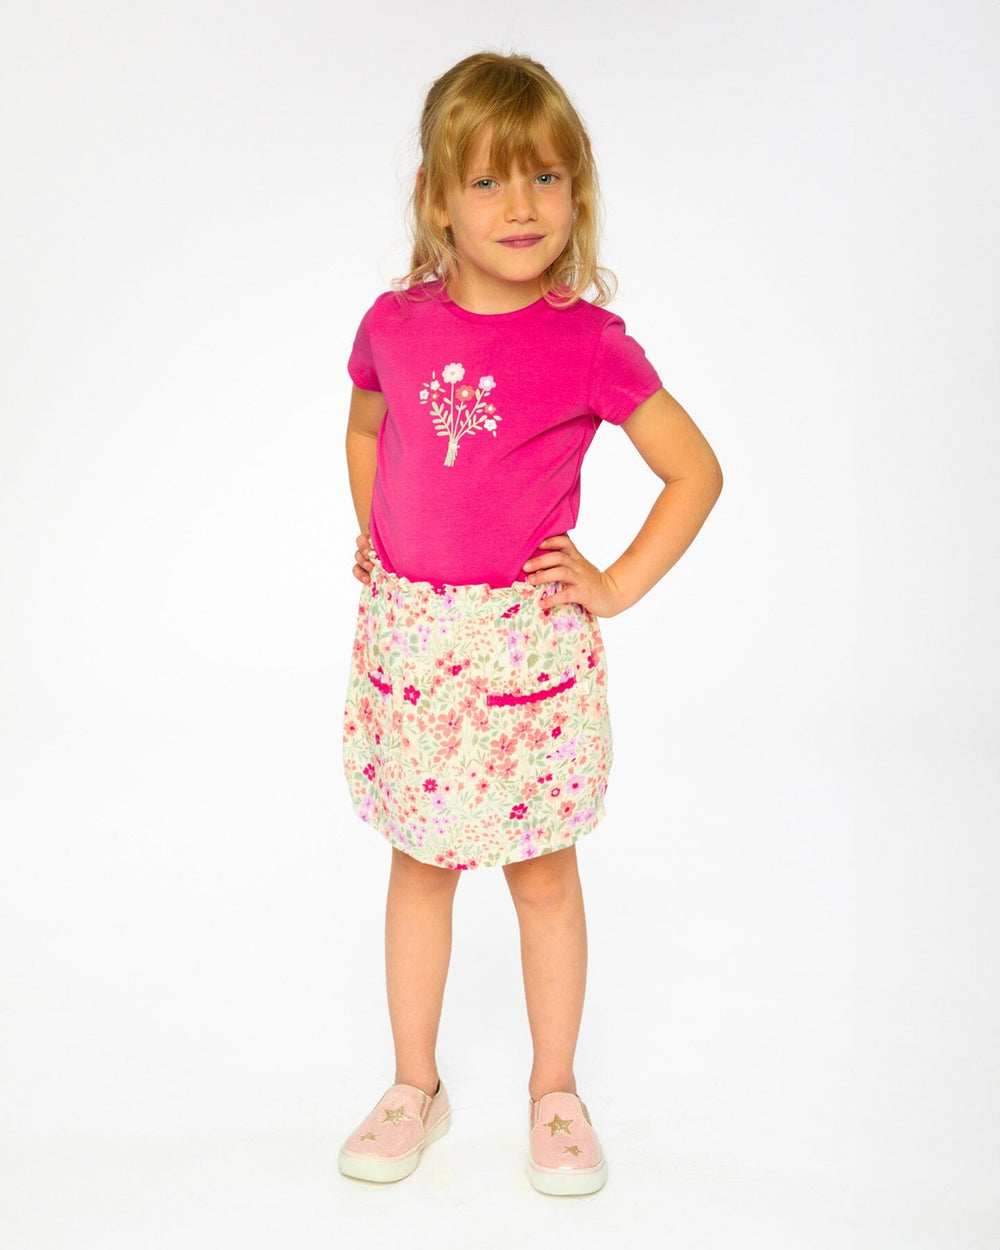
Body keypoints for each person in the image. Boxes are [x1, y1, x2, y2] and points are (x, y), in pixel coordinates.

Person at [337, 50, 723, 1196]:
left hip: (526, 649)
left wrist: (617, 581)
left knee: (544, 874)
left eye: (546, 177)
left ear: (577, 192)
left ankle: (554, 1088)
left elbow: (694, 470)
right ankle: (415, 1083)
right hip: (415, 645)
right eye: (489, 180)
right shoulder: (392, 325)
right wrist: (376, 532)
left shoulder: (587, 341)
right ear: (435, 198)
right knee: (421, 864)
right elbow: (367, 429)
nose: (521, 206)